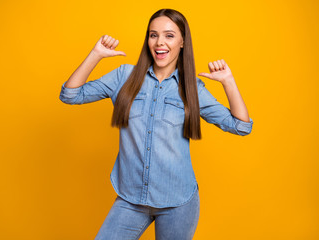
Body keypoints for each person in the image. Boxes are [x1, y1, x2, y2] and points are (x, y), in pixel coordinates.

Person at [59, 8, 253, 240]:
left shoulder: (192, 88)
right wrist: (96, 54)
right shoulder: (124, 76)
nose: (160, 42)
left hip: (178, 202)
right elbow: (70, 95)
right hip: (131, 198)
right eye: (153, 35)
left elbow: (241, 126)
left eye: (169, 35)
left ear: (182, 42)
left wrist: (228, 81)